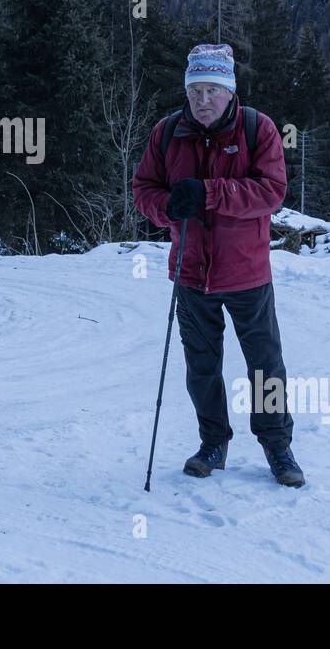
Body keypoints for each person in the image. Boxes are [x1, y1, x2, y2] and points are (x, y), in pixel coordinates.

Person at [131, 43, 305, 487]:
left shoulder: (257, 129)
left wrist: (209, 193)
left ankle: (277, 447)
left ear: (229, 92)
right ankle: (213, 443)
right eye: (195, 90)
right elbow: (144, 188)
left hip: (246, 273)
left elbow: (271, 191)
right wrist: (170, 206)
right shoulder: (167, 133)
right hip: (190, 273)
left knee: (265, 365)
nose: (202, 99)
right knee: (201, 366)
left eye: (212, 90)